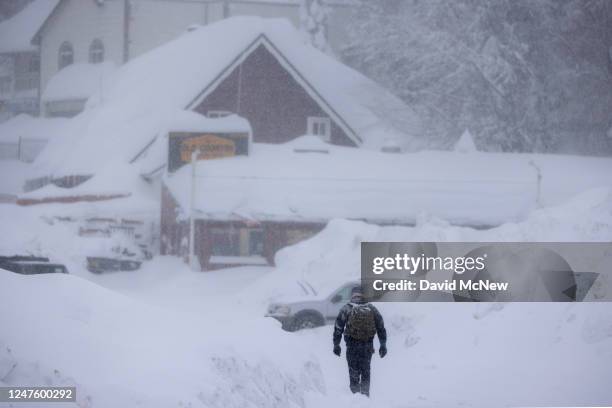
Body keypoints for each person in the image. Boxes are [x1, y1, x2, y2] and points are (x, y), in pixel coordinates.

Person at [332, 285, 387, 397]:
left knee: (353, 372)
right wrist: (383, 345)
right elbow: (381, 327)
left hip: (352, 346)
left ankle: (355, 398)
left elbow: (338, 328)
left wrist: (336, 345)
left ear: (352, 295)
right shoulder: (371, 308)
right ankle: (365, 396)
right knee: (366, 371)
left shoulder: (347, 308)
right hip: (367, 346)